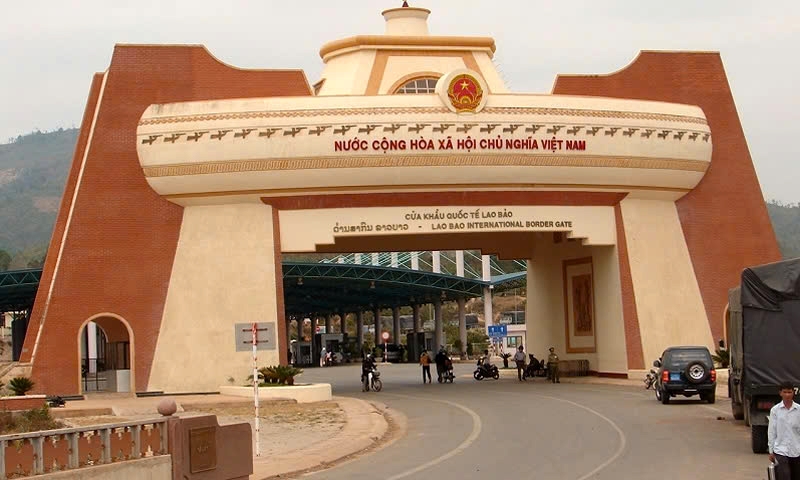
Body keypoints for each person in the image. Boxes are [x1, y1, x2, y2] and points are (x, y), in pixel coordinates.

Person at [768, 382, 800, 479]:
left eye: (789, 392)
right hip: (780, 450)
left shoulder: (798, 410)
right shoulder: (775, 410)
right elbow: (772, 431)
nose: (787, 395)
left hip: (797, 451)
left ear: (793, 393)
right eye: (785, 392)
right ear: (780, 393)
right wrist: (771, 451)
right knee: (784, 476)